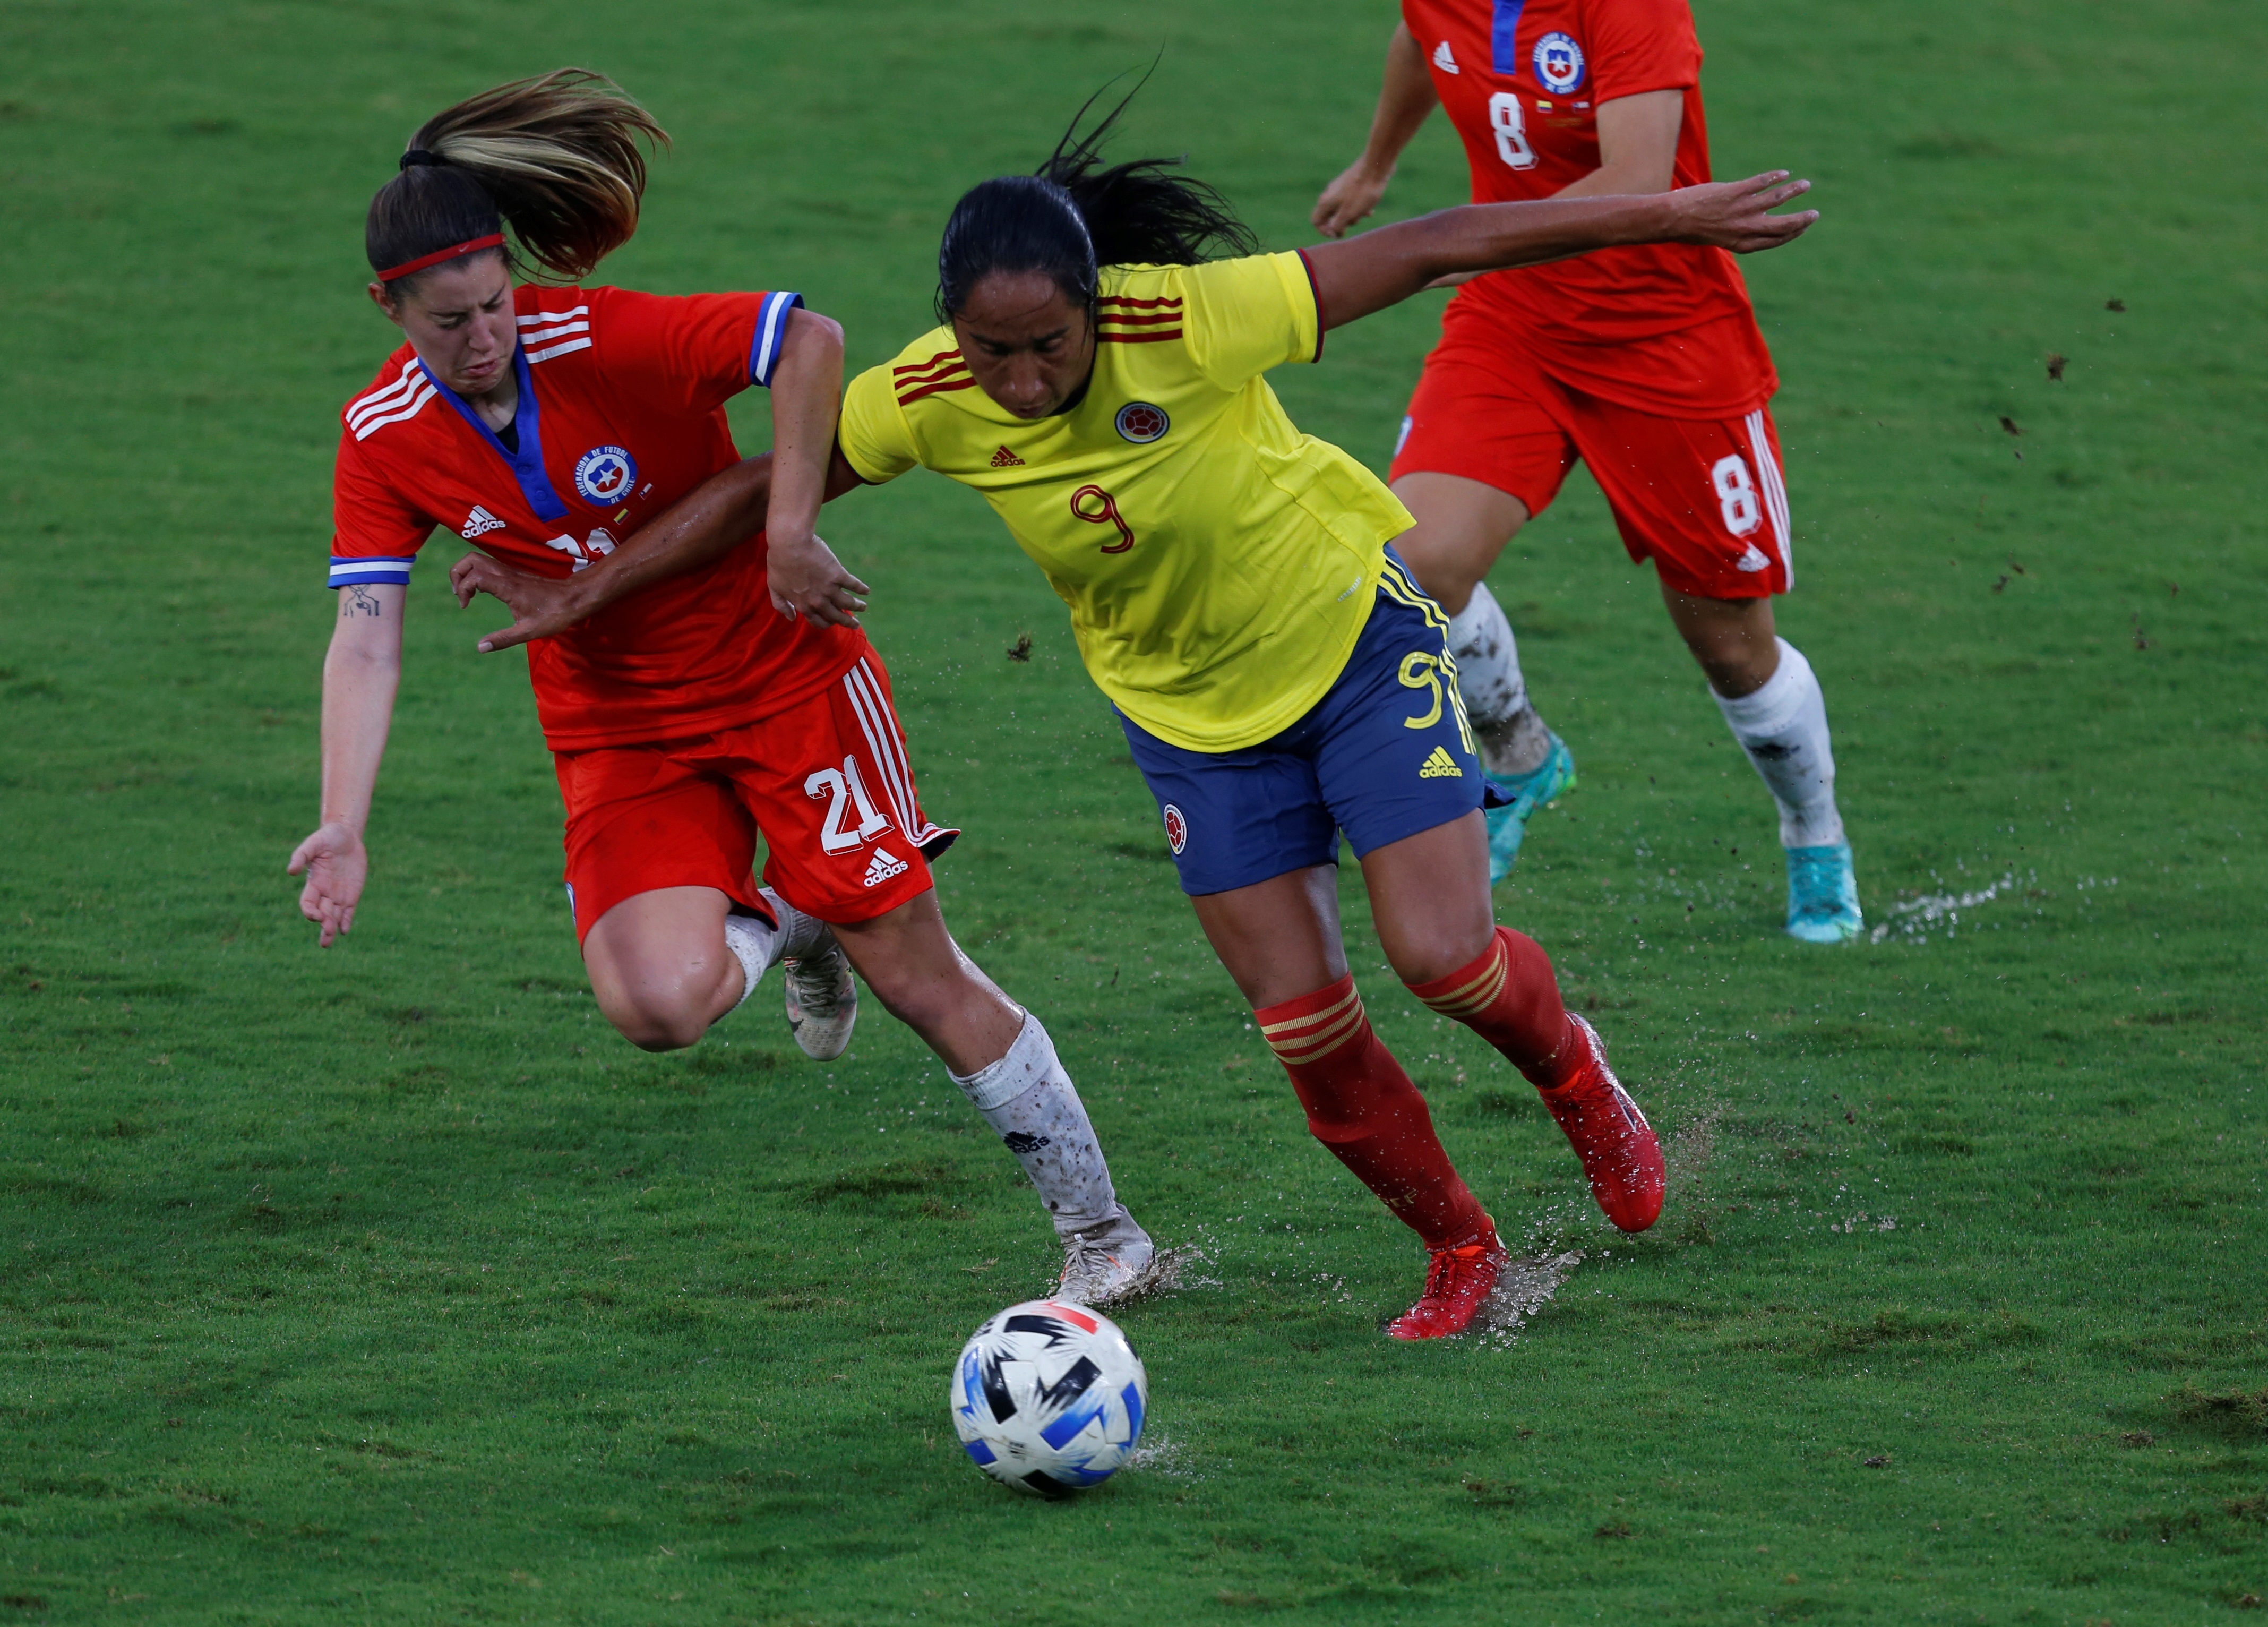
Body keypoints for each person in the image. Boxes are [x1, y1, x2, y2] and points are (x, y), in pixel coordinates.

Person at [461, 96, 1815, 1338]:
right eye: (992, 351)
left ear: (1096, 310)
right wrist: (593, 586)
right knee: (1306, 1028)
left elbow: (1435, 245)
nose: (1021, 380)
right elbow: (763, 481)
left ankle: (1581, 1083)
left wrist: (1667, 212)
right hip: (1191, 726)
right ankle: (1461, 1248)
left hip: (1352, 647)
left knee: (1443, 958)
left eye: (1049, 347)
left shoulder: (1188, 317)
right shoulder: (929, 395)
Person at [287, 70, 1159, 1307]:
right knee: (655, 1006)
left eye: (495, 304)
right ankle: (795, 918)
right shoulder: (381, 435)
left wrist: (789, 528)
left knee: (913, 972)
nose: (484, 337)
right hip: (617, 727)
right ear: (388, 307)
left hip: (783, 680)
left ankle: (1106, 1235)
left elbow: (809, 339)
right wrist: (344, 819)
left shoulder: (601, 338)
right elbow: (366, 636)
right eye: (449, 321)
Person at [1312, 0, 1862, 941]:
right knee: (1412, 564)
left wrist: (1459, 240)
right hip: (1513, 324)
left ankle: (1815, 833)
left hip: (1667, 340)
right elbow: (1422, 37)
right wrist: (1376, 164)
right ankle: (1518, 754)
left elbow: (1637, 183)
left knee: (1733, 647)